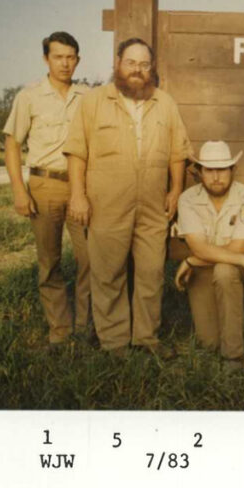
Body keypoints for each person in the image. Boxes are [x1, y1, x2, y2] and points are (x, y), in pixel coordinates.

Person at [63, 37, 191, 357]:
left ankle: (146, 338)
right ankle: (114, 343)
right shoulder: (93, 102)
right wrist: (78, 196)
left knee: (150, 273)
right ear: (118, 63)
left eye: (144, 64)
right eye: (131, 63)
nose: (137, 70)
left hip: (151, 206)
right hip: (106, 204)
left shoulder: (165, 103)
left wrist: (175, 190)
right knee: (107, 274)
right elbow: (77, 152)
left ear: (152, 69)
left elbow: (178, 153)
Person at [2, 31, 91, 347]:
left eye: (70, 57)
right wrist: (19, 190)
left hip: (81, 187)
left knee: (89, 260)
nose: (65, 63)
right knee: (49, 261)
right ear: (46, 59)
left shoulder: (87, 96)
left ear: (77, 59)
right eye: (58, 57)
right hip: (45, 184)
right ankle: (60, 331)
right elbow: (12, 145)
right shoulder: (30, 96)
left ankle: (83, 329)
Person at [173, 141, 244, 369]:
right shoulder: (188, 199)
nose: (216, 177)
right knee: (208, 343)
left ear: (233, 170)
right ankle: (223, 339)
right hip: (205, 272)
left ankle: (234, 357)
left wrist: (190, 260)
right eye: (209, 170)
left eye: (223, 169)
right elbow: (199, 246)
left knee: (225, 270)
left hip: (235, 271)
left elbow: (238, 247)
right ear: (199, 172)